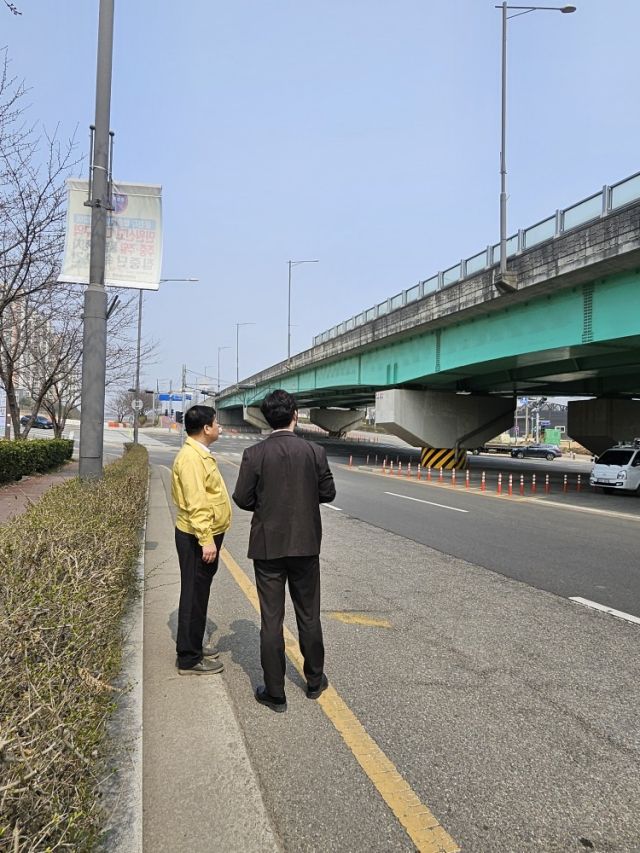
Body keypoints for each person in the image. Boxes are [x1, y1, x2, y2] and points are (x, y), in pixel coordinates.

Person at [232, 389, 336, 711]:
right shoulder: (314, 451)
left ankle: (275, 692)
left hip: (267, 547)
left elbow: (242, 498)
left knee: (271, 620)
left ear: (266, 418)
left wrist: (268, 505)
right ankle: (314, 680)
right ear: (295, 415)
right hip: (306, 545)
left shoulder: (254, 454)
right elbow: (328, 493)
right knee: (309, 614)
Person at [171, 405, 232, 674]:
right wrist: (206, 540)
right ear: (206, 428)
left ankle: (193, 644)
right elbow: (196, 504)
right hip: (197, 537)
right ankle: (188, 657)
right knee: (194, 595)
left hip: (203, 534)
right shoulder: (191, 459)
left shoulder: (198, 454)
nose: (219, 427)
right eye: (216, 423)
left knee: (199, 592)